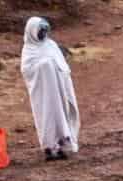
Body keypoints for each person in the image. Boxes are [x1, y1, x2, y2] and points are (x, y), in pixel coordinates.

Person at [20, 17, 79, 161]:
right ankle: (49, 148)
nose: (43, 35)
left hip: (59, 90)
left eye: (44, 31)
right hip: (43, 95)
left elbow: (62, 65)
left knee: (61, 115)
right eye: (40, 31)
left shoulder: (50, 45)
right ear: (32, 31)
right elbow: (27, 71)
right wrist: (46, 65)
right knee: (47, 118)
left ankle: (61, 146)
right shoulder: (29, 50)